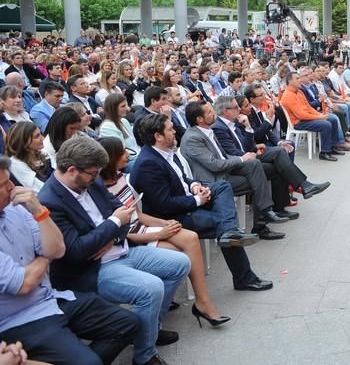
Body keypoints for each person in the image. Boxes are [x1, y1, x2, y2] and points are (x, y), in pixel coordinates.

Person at [38, 138, 191, 365]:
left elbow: (124, 216)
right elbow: (77, 250)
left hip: (120, 249)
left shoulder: (91, 182)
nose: (95, 177)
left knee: (180, 263)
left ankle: (149, 331)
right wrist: (112, 224)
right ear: (72, 170)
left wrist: (112, 233)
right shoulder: (50, 200)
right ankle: (144, 356)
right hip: (92, 269)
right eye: (92, 173)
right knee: (151, 289)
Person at [0, 156, 139, 365]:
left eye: (10, 180)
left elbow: (57, 249)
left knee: (128, 323)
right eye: (3, 185)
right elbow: (24, 283)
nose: (12, 188)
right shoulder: (52, 195)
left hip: (52, 298)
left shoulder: (17, 209)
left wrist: (39, 212)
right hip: (21, 319)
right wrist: (44, 256)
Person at [130, 113, 273, 292]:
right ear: (158, 136)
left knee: (222, 187)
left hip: (187, 201)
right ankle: (243, 274)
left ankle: (229, 234)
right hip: (174, 218)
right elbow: (164, 205)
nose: (175, 132)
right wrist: (198, 200)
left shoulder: (165, 151)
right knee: (225, 224)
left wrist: (195, 186)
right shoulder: (148, 163)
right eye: (170, 129)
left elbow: (183, 179)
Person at [97, 137, 229, 328]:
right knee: (177, 254)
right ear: (111, 158)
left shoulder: (119, 178)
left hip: (142, 228)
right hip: (132, 240)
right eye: (121, 152)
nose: (127, 154)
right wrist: (158, 234)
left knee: (190, 237)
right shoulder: (100, 190)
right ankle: (153, 316)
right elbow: (119, 233)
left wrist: (164, 223)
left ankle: (202, 301)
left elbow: (138, 214)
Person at [179, 101, 288, 239]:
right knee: (258, 180)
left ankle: (265, 213)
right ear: (199, 119)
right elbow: (214, 164)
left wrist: (244, 157)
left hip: (223, 172)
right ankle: (261, 223)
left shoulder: (207, 130)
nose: (214, 113)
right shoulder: (192, 138)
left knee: (254, 164)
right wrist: (241, 159)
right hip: (213, 180)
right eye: (209, 112)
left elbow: (223, 156)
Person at [212, 95, 329, 210]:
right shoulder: (219, 128)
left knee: (279, 157)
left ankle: (282, 204)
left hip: (251, 154)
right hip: (241, 162)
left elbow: (248, 145)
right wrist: (251, 151)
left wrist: (247, 127)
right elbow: (233, 151)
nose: (239, 109)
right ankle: (303, 186)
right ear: (225, 111)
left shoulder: (235, 122)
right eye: (236, 107)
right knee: (278, 156)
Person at [280, 71, 347, 162]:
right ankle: (324, 152)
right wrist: (319, 117)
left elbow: (308, 107)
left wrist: (320, 114)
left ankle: (333, 146)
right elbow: (301, 115)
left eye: (299, 78)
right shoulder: (288, 95)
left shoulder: (299, 92)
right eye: (297, 78)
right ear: (290, 81)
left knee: (332, 119)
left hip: (306, 118)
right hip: (299, 122)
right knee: (326, 124)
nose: (300, 80)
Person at [6, 122, 51, 194]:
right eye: (37, 136)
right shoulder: (16, 164)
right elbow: (40, 189)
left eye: (40, 134)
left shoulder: (41, 154)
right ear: (23, 142)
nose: (42, 138)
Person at [99, 93, 140, 166]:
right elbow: (121, 151)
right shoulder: (107, 127)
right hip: (126, 162)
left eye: (127, 105)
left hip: (136, 156)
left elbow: (134, 144)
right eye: (123, 106)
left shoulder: (124, 121)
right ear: (113, 108)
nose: (127, 108)